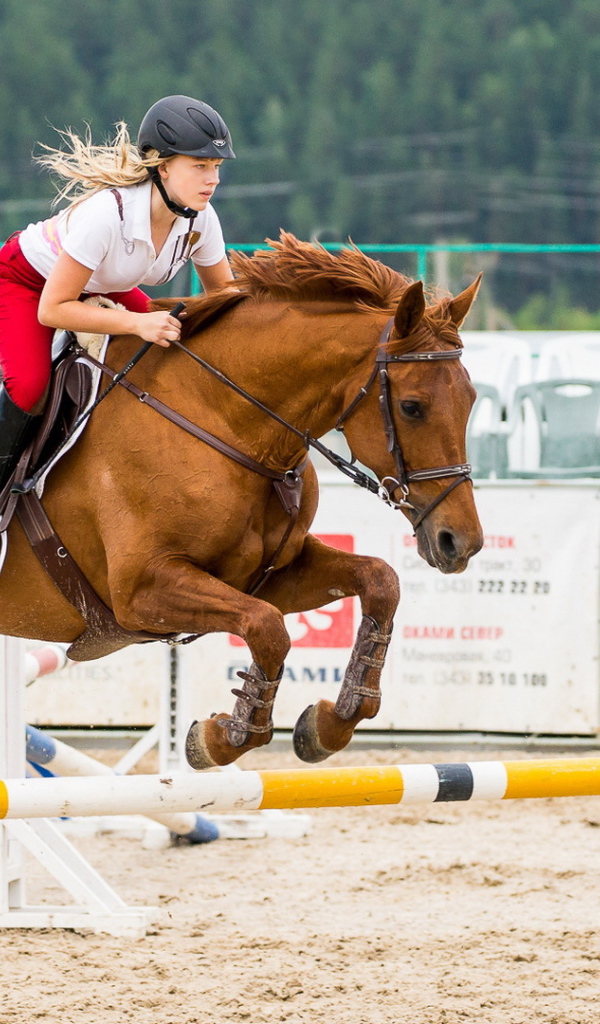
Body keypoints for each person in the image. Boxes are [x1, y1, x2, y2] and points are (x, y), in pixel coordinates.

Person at [0, 94, 236, 490]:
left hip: (104, 284)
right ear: (162, 167)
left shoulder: (203, 219)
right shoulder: (107, 215)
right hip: (28, 282)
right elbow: (54, 309)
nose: (212, 179)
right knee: (29, 388)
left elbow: (226, 301)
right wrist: (137, 323)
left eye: (215, 166)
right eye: (199, 166)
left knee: (173, 349)